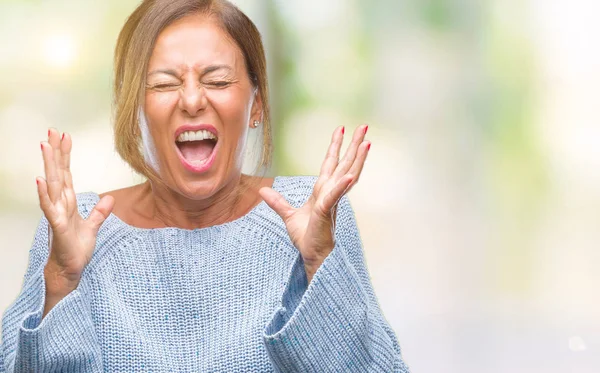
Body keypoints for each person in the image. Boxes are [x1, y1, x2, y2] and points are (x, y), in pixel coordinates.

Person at [0, 0, 410, 371]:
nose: (193, 100)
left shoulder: (311, 214)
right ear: (134, 111)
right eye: (163, 83)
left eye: (217, 81)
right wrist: (61, 281)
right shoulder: (77, 228)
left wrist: (319, 260)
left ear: (257, 105)